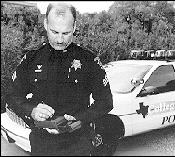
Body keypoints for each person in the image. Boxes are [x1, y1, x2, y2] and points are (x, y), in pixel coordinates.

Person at [5, 3, 119, 156]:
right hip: (42, 144)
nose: (59, 39)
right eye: (54, 32)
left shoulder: (89, 60)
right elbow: (11, 95)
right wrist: (31, 110)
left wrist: (80, 119)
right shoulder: (31, 59)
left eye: (66, 33)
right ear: (46, 24)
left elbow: (105, 102)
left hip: (78, 143)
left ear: (74, 27)